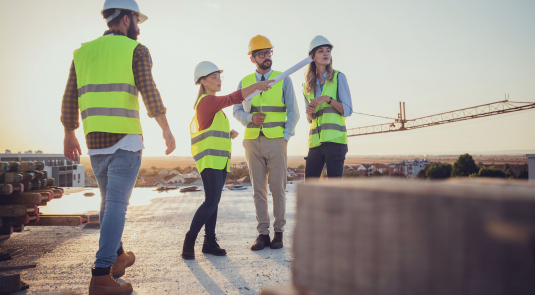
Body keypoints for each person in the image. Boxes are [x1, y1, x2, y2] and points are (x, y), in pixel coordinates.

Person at [61, 1, 175, 294]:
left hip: (95, 144)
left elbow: (70, 96)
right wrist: (165, 128)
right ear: (126, 19)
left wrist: (68, 132)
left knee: (108, 202)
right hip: (124, 141)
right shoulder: (136, 50)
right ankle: (101, 274)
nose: (139, 26)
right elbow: (149, 90)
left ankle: (118, 257)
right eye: (137, 20)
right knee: (116, 206)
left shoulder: (82, 52)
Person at [182, 61, 274, 260]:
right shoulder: (207, 101)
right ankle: (189, 242)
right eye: (214, 77)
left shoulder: (212, 104)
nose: (218, 80)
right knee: (211, 201)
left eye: (219, 76)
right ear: (203, 81)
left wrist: (227, 133)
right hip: (211, 162)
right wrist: (256, 86)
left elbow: (209, 130)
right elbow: (234, 97)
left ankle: (209, 242)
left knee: (213, 202)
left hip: (219, 162)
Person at [233, 35, 299, 251]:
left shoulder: (283, 79)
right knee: (258, 190)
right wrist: (250, 119)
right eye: (261, 54)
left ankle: (278, 233)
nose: (267, 57)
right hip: (252, 141)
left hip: (276, 140)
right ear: (253, 58)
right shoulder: (244, 82)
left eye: (269, 52)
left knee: (278, 188)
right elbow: (236, 110)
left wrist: (286, 136)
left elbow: (294, 112)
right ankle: (263, 234)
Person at [303, 36, 353, 179]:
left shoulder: (338, 77)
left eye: (328, 51)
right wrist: (309, 113)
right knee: (310, 187)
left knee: (334, 189)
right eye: (321, 51)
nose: (326, 54)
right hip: (315, 144)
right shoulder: (307, 86)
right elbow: (310, 119)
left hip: (335, 142)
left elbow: (348, 110)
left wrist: (327, 99)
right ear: (312, 56)